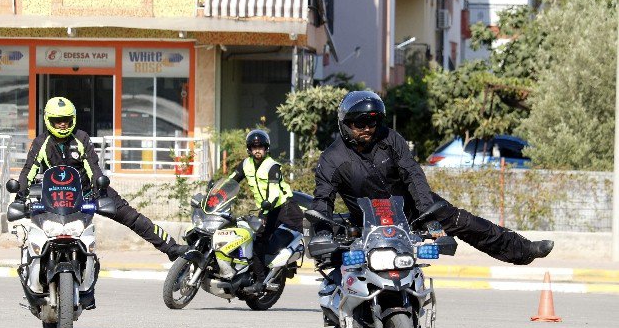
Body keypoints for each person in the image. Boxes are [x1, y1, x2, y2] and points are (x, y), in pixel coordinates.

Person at [309, 90, 554, 274]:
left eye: (372, 122)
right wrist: (321, 235)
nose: (367, 129)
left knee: (467, 222)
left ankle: (524, 250)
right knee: (341, 266)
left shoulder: (390, 139)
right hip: (367, 220)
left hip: (412, 207)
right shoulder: (332, 159)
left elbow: (413, 175)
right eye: (359, 123)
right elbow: (323, 200)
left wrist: (427, 213)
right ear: (344, 124)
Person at [16, 96, 189, 262]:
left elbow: (93, 168)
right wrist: (19, 196)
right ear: (48, 120)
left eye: (67, 119)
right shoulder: (41, 142)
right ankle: (33, 266)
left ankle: (171, 248)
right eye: (58, 120)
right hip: (54, 197)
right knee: (36, 229)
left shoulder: (82, 138)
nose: (63, 124)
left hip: (87, 192)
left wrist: (100, 187)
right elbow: (28, 171)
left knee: (132, 217)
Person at [228, 129, 304, 293]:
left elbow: (274, 192)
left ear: (266, 148)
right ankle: (260, 281)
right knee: (258, 241)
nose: (258, 150)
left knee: (306, 233)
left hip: (284, 207)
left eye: (261, 147)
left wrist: (265, 210)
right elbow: (231, 181)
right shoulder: (245, 165)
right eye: (254, 147)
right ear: (249, 149)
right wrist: (216, 192)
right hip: (266, 209)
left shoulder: (272, 166)